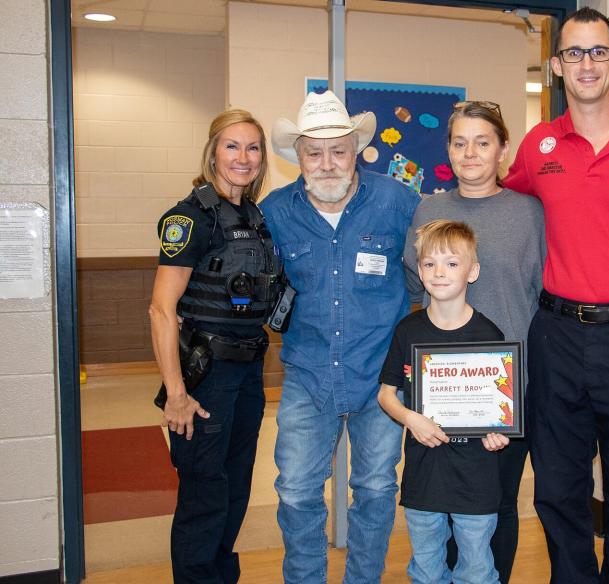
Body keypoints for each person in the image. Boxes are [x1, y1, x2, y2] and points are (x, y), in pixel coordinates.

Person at [502, 7, 609, 584]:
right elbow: (501, 206)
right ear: (556, 66)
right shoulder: (538, 145)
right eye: (574, 53)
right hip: (557, 337)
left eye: (598, 51)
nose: (587, 64)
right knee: (557, 490)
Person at [260, 90, 420, 583]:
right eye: (314, 152)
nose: (327, 163)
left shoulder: (397, 202)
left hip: (382, 381)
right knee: (296, 492)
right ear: (299, 157)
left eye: (338, 151)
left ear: (356, 152)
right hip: (308, 375)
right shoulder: (274, 212)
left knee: (374, 490)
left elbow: (429, 272)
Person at [401, 101, 545, 583]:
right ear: (447, 150)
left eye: (483, 142)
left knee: (495, 510)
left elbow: (544, 296)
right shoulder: (429, 209)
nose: (470, 153)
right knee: (435, 511)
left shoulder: (528, 214)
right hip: (439, 397)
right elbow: (412, 287)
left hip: (501, 396)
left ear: (503, 149)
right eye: (459, 142)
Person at [149, 109, 279, 583]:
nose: (243, 158)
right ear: (212, 152)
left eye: (253, 148)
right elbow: (161, 310)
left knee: (236, 488)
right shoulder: (190, 217)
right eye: (232, 146)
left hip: (248, 372)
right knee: (204, 494)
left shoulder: (255, 216)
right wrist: (177, 394)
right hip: (205, 375)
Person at [380, 219, 512, 584]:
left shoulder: (489, 335)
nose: (439, 273)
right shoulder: (408, 331)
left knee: (477, 569)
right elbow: (386, 394)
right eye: (429, 264)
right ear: (419, 271)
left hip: (476, 479)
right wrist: (411, 418)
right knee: (425, 568)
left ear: (473, 272)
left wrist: (497, 434)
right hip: (425, 475)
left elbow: (499, 413)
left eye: (452, 263)